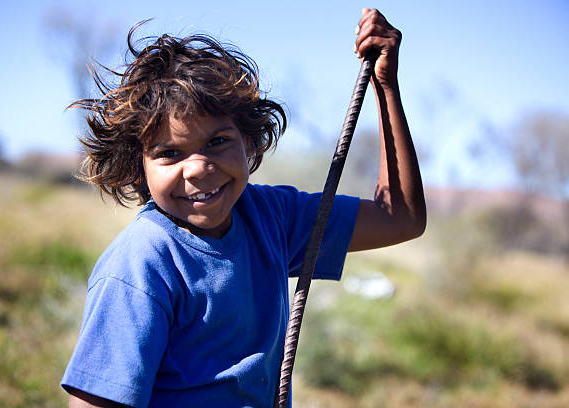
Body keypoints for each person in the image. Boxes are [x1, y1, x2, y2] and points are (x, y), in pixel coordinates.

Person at [61, 7, 426, 408]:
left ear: (249, 142)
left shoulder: (271, 217)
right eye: (169, 153)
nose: (199, 168)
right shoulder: (141, 265)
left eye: (217, 141)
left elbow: (400, 218)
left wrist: (385, 85)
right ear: (139, 167)